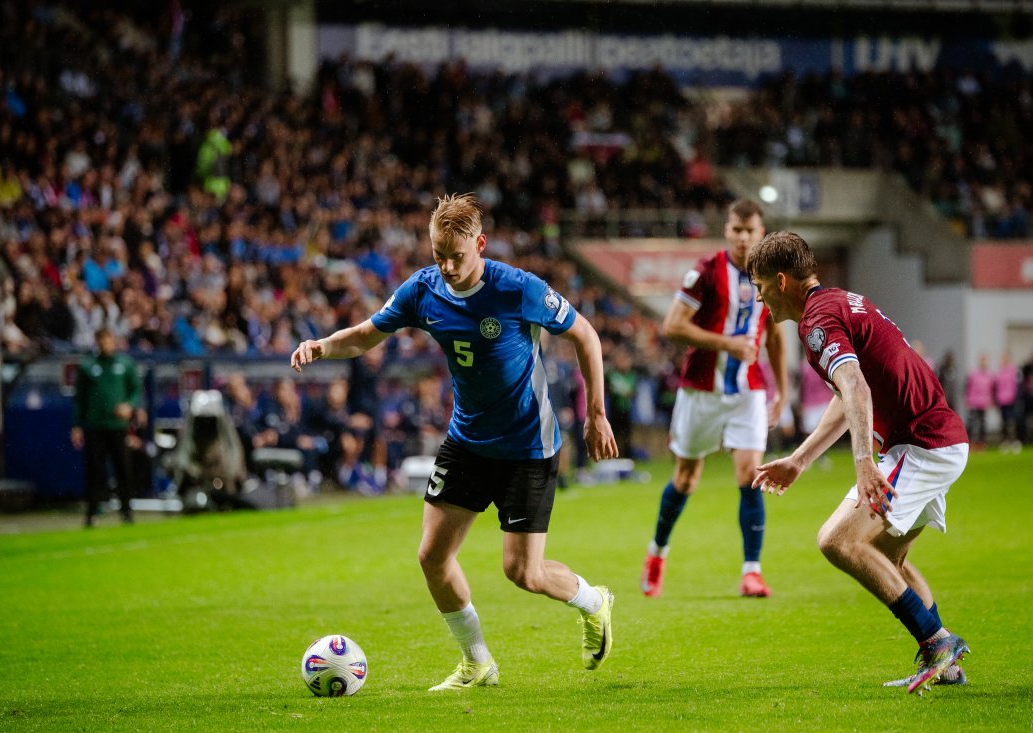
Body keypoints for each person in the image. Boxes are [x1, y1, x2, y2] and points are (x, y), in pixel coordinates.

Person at [290, 194, 619, 691]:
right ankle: (478, 662)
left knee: (523, 573)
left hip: (528, 446)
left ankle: (593, 602)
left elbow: (587, 336)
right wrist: (322, 346)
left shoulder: (518, 289)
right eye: (438, 254)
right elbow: (365, 335)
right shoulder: (423, 290)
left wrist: (596, 414)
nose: (446, 266)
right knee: (432, 557)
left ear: (480, 244)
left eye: (456, 255)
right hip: (466, 441)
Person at [747, 231, 970, 694]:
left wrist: (865, 463)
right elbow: (847, 395)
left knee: (837, 541)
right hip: (932, 439)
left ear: (781, 281)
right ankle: (946, 667)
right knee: (889, 556)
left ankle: (937, 641)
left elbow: (857, 389)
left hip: (921, 443)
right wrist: (801, 460)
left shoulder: (816, 322)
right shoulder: (837, 303)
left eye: (760, 285)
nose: (760, 296)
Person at [640, 199, 787, 599]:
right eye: (736, 231)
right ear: (727, 231)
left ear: (761, 233)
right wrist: (727, 343)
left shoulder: (771, 276)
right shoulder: (705, 272)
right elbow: (672, 326)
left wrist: (782, 393)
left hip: (748, 391)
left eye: (750, 231)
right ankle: (657, 553)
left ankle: (751, 571)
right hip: (701, 389)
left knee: (750, 475)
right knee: (686, 479)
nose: (743, 238)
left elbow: (773, 336)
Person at [70, 326, 142, 527]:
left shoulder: (125, 364)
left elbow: (135, 390)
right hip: (95, 426)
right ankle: (92, 513)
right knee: (95, 471)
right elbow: (79, 399)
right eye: (101, 340)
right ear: (97, 342)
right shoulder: (88, 366)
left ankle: (126, 511)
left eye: (108, 340)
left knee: (123, 469)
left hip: (118, 426)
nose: (105, 344)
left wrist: (130, 406)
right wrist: (76, 425)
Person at [963, 354, 993, 449]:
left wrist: (990, 400)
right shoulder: (973, 374)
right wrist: (967, 399)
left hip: (984, 403)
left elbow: (991, 389)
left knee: (983, 424)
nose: (983, 362)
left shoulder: (989, 375)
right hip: (974, 402)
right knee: (972, 423)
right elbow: (967, 387)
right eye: (982, 360)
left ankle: (982, 442)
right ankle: (971, 442)